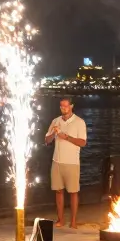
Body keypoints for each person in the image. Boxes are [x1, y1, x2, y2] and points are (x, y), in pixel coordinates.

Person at [44, 97, 87, 228]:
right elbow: (47, 140)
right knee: (58, 191)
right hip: (56, 161)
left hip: (72, 162)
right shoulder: (55, 121)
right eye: (61, 106)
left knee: (73, 192)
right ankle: (60, 219)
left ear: (71, 106)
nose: (63, 108)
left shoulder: (79, 122)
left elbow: (83, 142)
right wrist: (54, 134)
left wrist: (66, 137)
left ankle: (73, 221)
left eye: (66, 106)